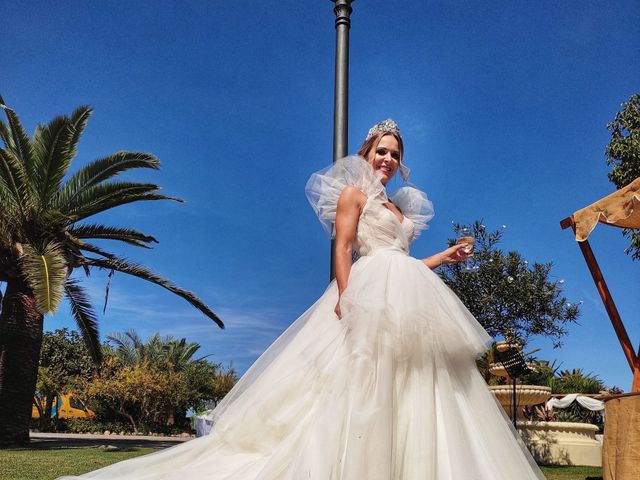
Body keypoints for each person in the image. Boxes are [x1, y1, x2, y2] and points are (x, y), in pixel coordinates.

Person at [60, 119, 546, 479]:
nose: (388, 159)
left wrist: (444, 256)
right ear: (367, 152)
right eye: (382, 151)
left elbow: (402, 261)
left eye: (395, 154)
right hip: (367, 289)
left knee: (422, 382)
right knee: (362, 382)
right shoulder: (353, 196)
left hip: (410, 294)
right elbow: (342, 247)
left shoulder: (401, 208)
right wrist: (347, 299)